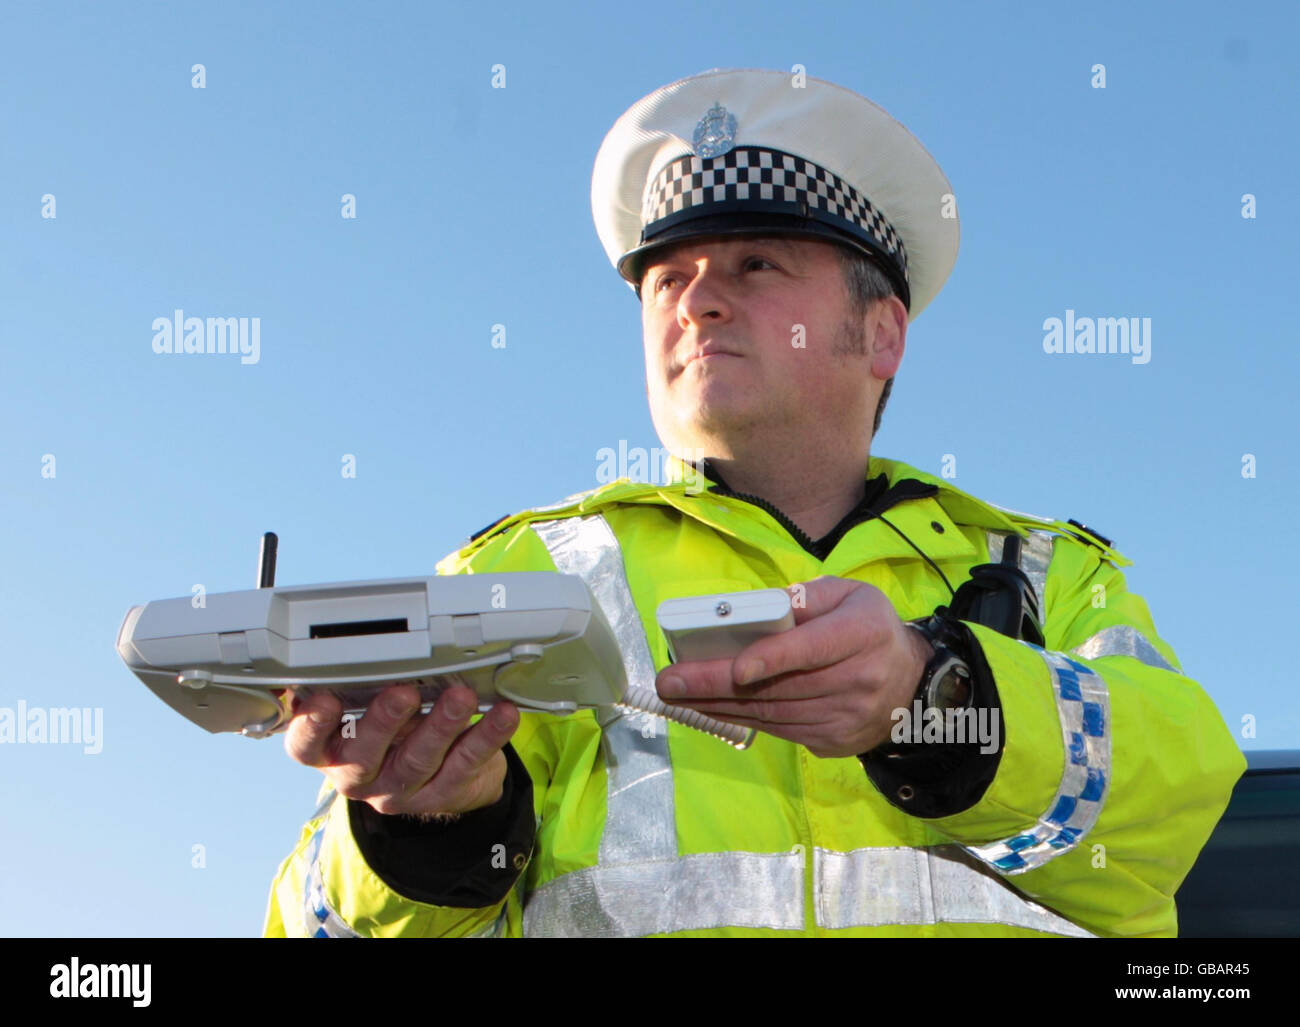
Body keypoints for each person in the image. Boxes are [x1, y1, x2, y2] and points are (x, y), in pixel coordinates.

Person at [263, 68, 1245, 938]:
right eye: (668, 279)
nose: (695, 301)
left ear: (882, 334)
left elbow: (1173, 806)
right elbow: (316, 927)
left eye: (753, 265)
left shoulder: (1048, 572)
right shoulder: (524, 574)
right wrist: (432, 828)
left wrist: (935, 697)